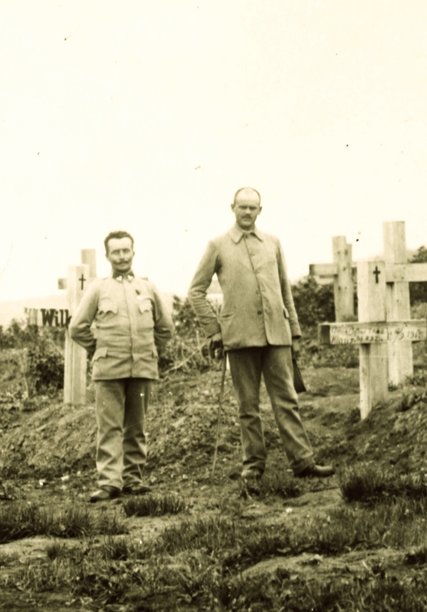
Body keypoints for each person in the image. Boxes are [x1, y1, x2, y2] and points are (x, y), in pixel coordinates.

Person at [187, 187, 334, 482]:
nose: (247, 212)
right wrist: (214, 330)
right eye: (242, 207)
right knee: (247, 405)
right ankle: (253, 464)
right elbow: (196, 292)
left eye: (252, 207)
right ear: (232, 208)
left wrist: (293, 332)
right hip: (239, 337)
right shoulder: (217, 245)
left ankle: (303, 462)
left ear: (260, 211)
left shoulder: (273, 243)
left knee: (287, 399)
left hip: (276, 335)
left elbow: (284, 288)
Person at [69, 231, 175, 502]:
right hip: (108, 370)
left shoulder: (147, 288)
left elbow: (165, 327)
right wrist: (99, 349)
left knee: (137, 426)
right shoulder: (98, 288)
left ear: (133, 253)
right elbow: (77, 327)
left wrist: (149, 349)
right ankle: (109, 483)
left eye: (126, 250)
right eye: (116, 252)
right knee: (109, 427)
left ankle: (133, 480)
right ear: (108, 256)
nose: (122, 256)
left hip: (142, 368)